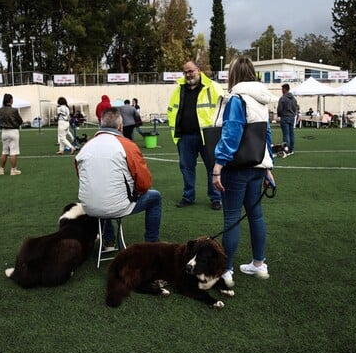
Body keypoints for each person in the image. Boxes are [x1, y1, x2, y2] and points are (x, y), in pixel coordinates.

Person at [210, 56, 275, 288]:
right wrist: (269, 166)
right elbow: (267, 135)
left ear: (234, 75)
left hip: (237, 168)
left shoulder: (237, 98)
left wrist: (218, 165)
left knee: (232, 218)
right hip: (257, 165)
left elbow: (231, 134)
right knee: (256, 215)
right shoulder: (262, 99)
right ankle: (259, 264)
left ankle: (226, 271)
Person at [75, 107, 162, 248]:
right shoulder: (127, 146)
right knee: (155, 198)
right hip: (115, 205)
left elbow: (81, 176)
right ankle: (151, 244)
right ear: (120, 127)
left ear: (100, 124)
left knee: (101, 193)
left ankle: (108, 240)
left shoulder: (86, 146)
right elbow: (144, 183)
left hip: (89, 206)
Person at [167, 60, 224, 210]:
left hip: (208, 135)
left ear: (198, 70)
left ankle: (216, 198)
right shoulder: (179, 89)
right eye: (185, 72)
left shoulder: (213, 87)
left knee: (212, 167)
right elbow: (172, 110)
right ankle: (188, 197)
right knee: (186, 168)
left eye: (191, 71)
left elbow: (224, 108)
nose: (188, 74)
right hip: (185, 136)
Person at [0, 93, 23, 176]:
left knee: (4, 151)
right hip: (13, 131)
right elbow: (20, 121)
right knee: (13, 151)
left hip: (4, 132)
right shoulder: (14, 110)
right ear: (11, 100)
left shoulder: (0, 110)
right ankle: (13, 170)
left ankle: (1, 169)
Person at [277, 83, 298, 155]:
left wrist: (279, 115)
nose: (282, 90)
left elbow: (279, 109)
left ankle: (286, 150)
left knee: (286, 135)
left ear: (284, 89)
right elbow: (296, 107)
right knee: (291, 134)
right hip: (292, 117)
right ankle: (291, 149)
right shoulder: (294, 99)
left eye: (282, 89)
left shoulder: (283, 98)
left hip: (285, 117)